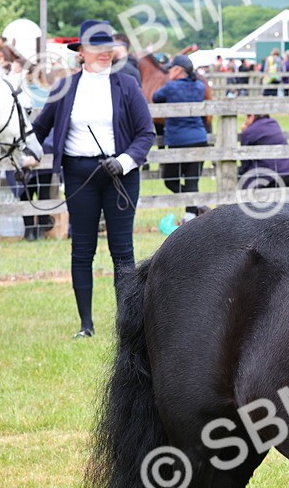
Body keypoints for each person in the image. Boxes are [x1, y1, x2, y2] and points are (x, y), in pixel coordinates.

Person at [31, 20, 155, 338]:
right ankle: (86, 325)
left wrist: (124, 161)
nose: (103, 54)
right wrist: (27, 153)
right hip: (78, 175)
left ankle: (125, 325)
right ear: (81, 53)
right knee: (82, 248)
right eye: (96, 48)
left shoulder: (126, 85)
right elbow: (41, 128)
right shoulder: (66, 87)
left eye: (107, 48)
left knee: (122, 250)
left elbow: (145, 133)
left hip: (119, 177)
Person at [152, 54, 209, 220]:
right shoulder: (199, 86)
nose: (169, 72)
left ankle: (194, 209)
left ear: (178, 70)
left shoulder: (171, 87)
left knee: (170, 179)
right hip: (199, 139)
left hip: (178, 141)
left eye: (171, 69)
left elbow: (156, 98)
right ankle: (192, 214)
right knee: (192, 182)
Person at [238, 114, 289, 189]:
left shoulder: (248, 131)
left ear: (252, 116)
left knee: (243, 184)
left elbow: (245, 162)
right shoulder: (273, 123)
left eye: (246, 118)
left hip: (275, 177)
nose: (245, 121)